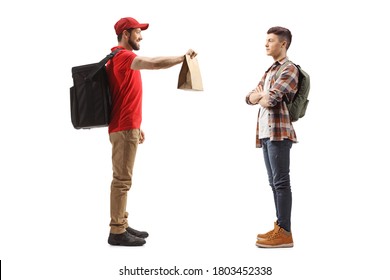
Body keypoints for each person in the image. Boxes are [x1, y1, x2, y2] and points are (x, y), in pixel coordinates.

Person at [106, 17, 197, 246]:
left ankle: (122, 224)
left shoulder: (118, 58)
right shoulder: (124, 56)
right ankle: (117, 231)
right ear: (125, 34)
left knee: (124, 178)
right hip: (124, 128)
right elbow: (154, 63)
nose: (141, 36)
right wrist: (181, 58)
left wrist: (137, 126)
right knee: (122, 180)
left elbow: (122, 97)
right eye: (137, 32)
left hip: (128, 127)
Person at [245, 26, 299, 248]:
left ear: (283, 44)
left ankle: (285, 232)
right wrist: (259, 96)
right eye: (265, 40)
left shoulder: (290, 69)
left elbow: (273, 98)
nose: (266, 44)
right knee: (273, 183)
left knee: (281, 182)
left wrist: (261, 96)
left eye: (270, 40)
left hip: (279, 133)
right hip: (266, 133)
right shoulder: (269, 71)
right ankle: (280, 227)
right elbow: (249, 97)